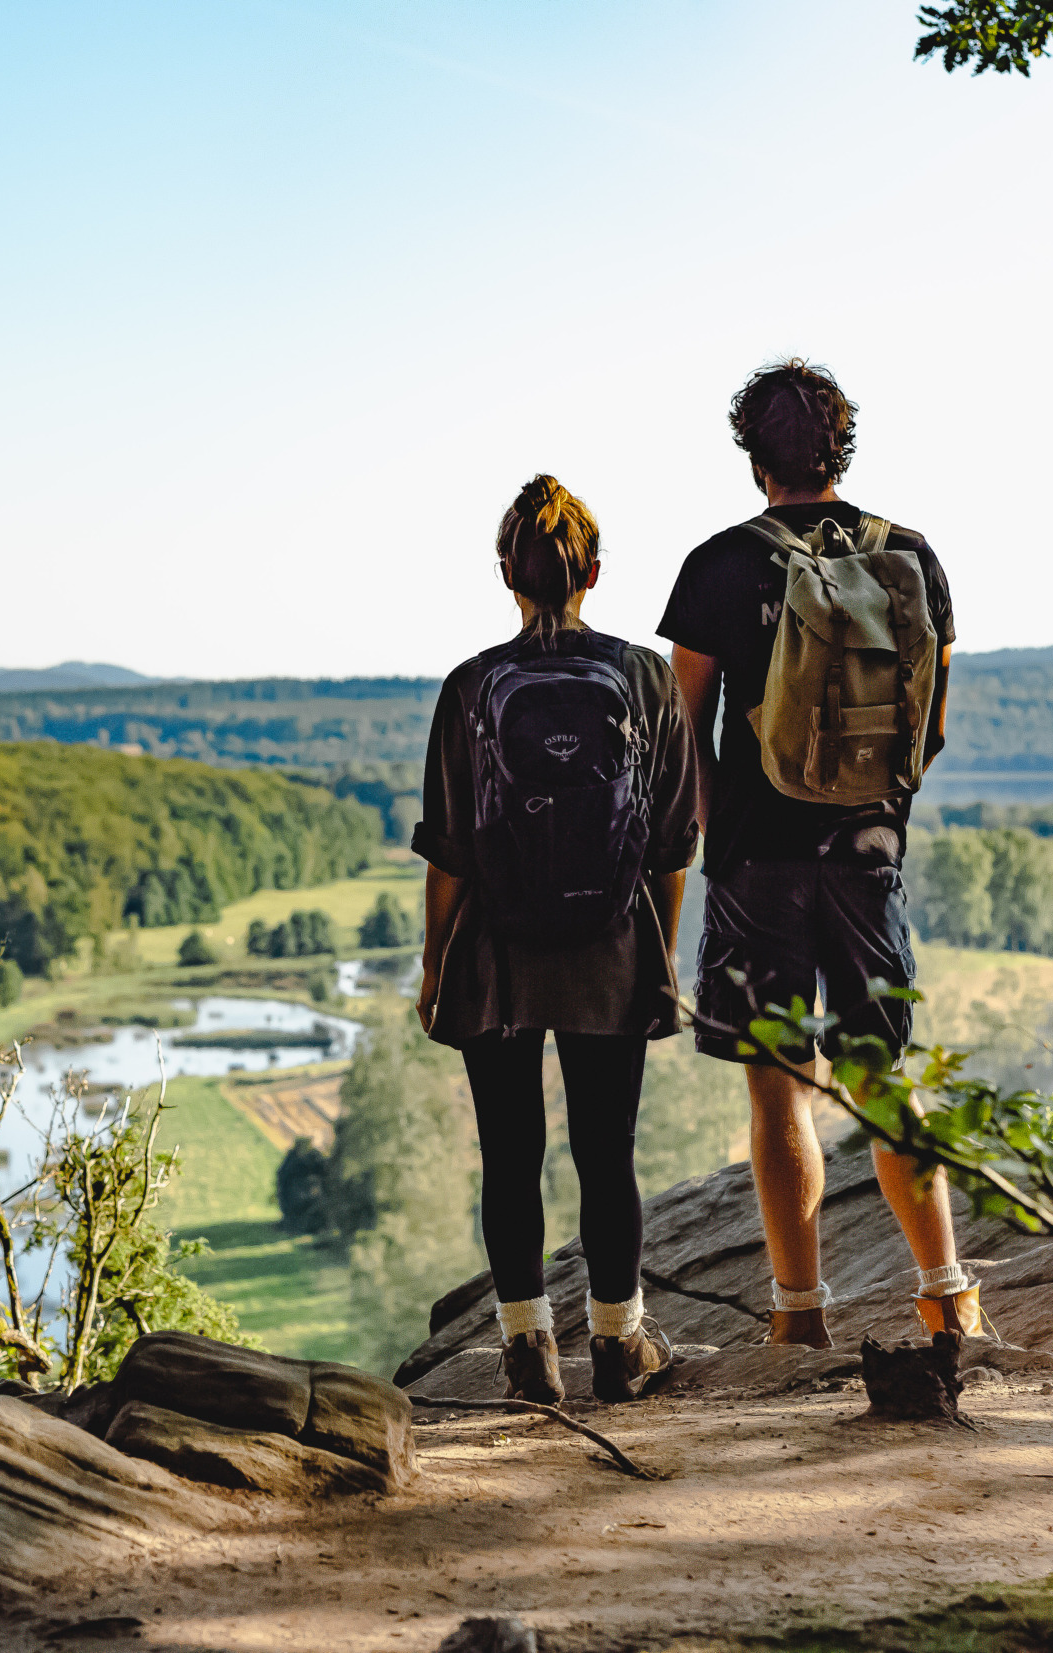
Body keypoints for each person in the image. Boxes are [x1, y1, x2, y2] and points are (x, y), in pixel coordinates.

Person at [656, 358, 978, 1348]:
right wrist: (879, 806)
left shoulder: (717, 564)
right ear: (840, 448)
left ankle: (798, 1316)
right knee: (882, 1074)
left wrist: (714, 830)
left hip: (755, 860)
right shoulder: (910, 556)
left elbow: (683, 726)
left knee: (776, 1085)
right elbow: (929, 724)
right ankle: (947, 1296)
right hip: (868, 850)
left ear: (754, 458)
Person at [413, 475, 700, 1404]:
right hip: (612, 947)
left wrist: (433, 962)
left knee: (510, 1150)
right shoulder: (645, 676)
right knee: (606, 1150)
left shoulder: (471, 686)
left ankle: (528, 1353)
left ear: (506, 572)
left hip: (497, 955)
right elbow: (671, 840)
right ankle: (619, 1346)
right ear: (596, 573)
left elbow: (451, 849)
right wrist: (660, 947)